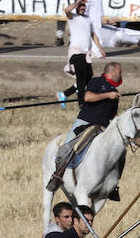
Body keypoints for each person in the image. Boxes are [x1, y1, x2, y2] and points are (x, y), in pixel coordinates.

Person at [49, 61, 122, 192]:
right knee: (69, 145)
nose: (121, 75)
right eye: (119, 73)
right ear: (111, 73)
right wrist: (107, 95)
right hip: (85, 123)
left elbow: (113, 114)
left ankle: (113, 184)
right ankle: (57, 175)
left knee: (120, 151)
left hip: (102, 128)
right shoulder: (96, 82)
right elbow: (87, 97)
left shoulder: (114, 92)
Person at [58, 0, 103, 105]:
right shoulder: (72, 17)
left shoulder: (88, 18)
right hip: (76, 53)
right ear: (77, 6)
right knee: (82, 78)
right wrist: (77, 2)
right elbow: (66, 10)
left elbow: (93, 34)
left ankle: (64, 94)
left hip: (85, 54)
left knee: (88, 77)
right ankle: (82, 103)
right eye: (80, 5)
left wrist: (100, 48)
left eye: (84, 5)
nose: (82, 7)